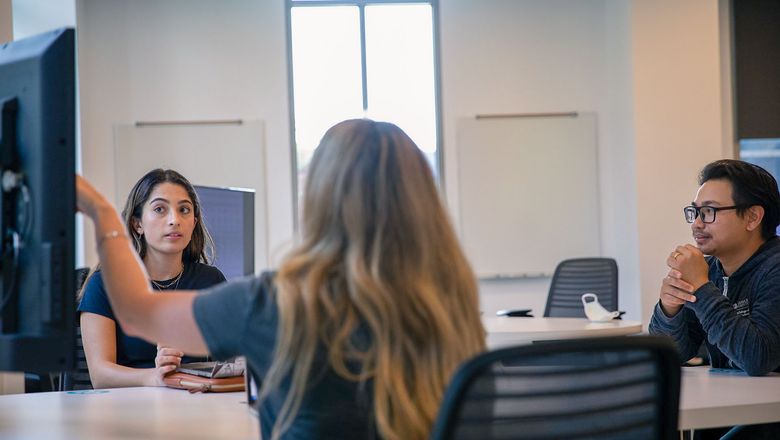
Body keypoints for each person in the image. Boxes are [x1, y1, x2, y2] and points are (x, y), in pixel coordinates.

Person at [76, 119, 486, 440]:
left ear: (321, 198)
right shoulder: (453, 303)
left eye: (184, 210)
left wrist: (101, 212)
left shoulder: (276, 301)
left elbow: (137, 310)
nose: (174, 221)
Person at [649, 160, 780, 438]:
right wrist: (669, 310)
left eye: (709, 212)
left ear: (752, 217)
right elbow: (673, 356)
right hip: (725, 413)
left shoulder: (774, 268)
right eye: (695, 212)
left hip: (767, 421)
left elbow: (757, 358)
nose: (697, 223)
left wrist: (701, 286)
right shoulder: (712, 271)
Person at [78, 169, 226, 388]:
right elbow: (100, 375)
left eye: (184, 210)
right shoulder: (104, 285)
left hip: (196, 405)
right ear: (137, 224)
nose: (174, 220)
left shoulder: (210, 281)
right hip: (128, 410)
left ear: (193, 222)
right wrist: (155, 377)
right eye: (159, 209)